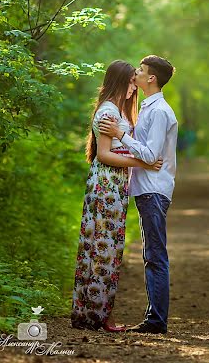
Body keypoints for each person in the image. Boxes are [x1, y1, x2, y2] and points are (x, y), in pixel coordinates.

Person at [71, 60, 163, 333]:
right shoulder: (109, 111)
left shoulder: (115, 110)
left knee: (105, 247)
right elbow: (104, 154)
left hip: (114, 184)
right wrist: (143, 163)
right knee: (104, 248)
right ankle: (99, 316)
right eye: (131, 83)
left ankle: (93, 313)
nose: (134, 88)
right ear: (119, 82)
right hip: (106, 185)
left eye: (136, 83)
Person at [99, 54, 178, 335]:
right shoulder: (148, 106)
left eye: (141, 71)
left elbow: (150, 155)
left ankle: (156, 321)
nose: (137, 74)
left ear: (151, 78)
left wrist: (120, 133)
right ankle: (154, 317)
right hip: (147, 189)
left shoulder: (158, 111)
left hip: (153, 190)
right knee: (152, 254)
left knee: (155, 256)